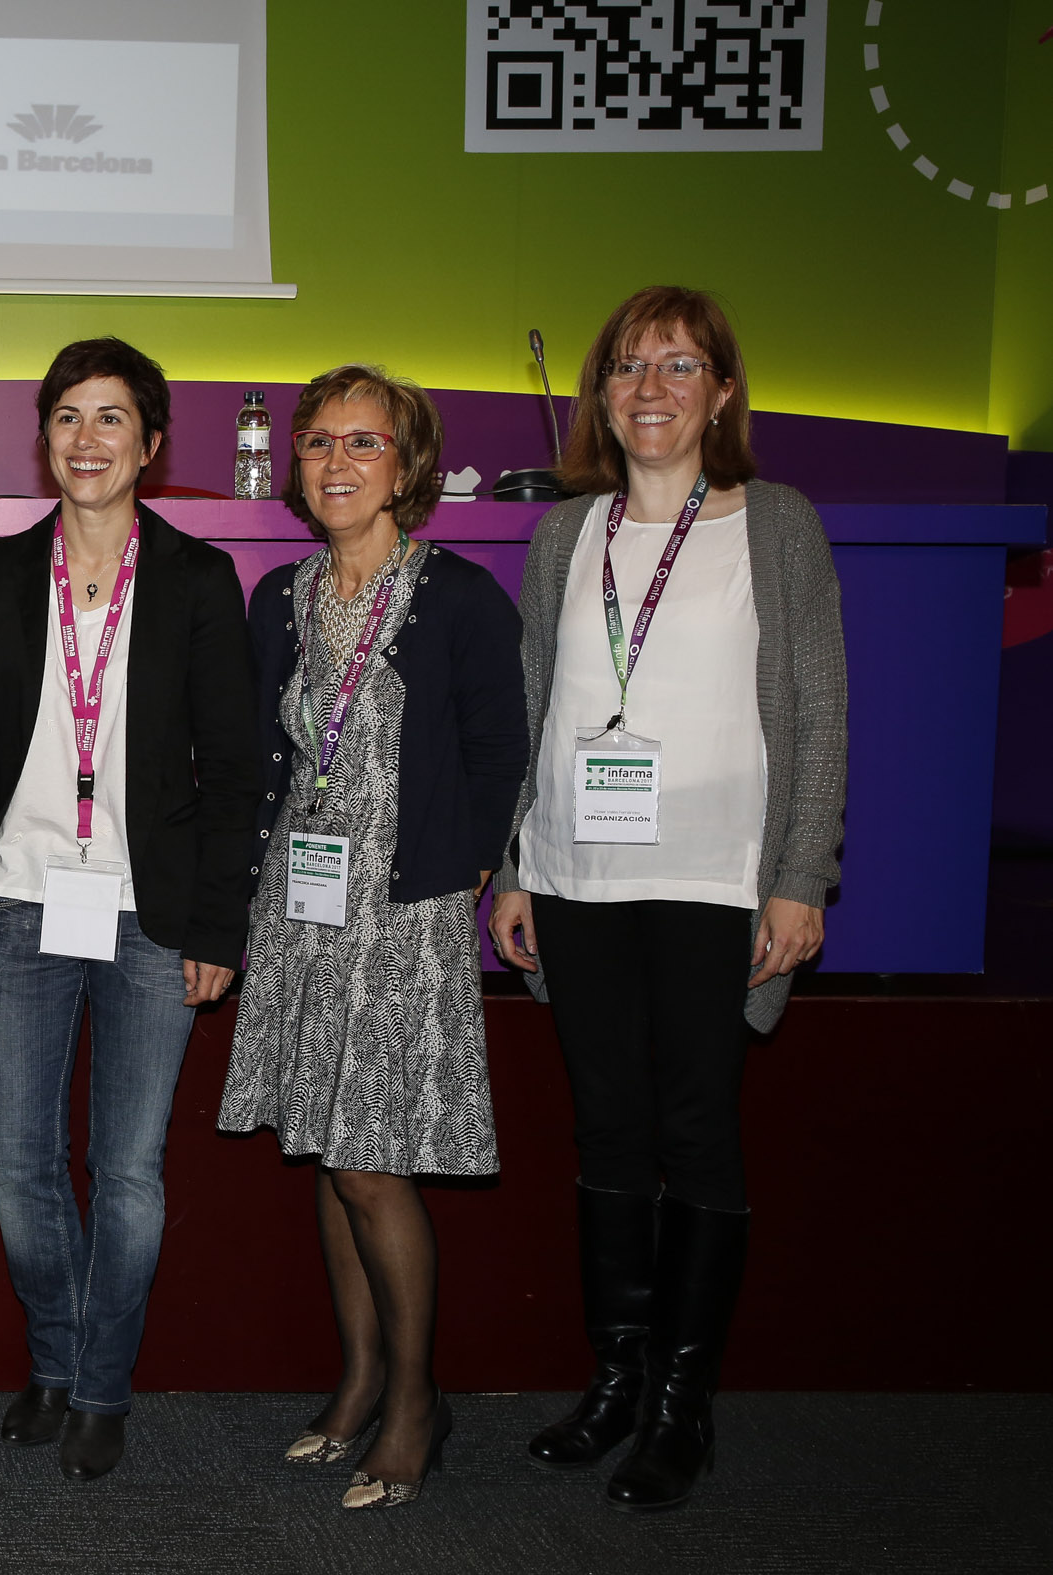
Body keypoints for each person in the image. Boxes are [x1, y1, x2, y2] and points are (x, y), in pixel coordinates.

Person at [489, 286, 845, 1513]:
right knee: (604, 1133)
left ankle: (682, 1406)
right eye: (629, 367)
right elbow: (534, 707)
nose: (650, 388)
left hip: (715, 878)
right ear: (600, 396)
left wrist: (799, 877)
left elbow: (819, 712)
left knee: (695, 1132)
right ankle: (616, 1382)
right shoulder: (564, 535)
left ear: (722, 393)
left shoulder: (776, 524)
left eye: (679, 365)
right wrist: (517, 865)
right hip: (578, 876)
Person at [0, 339, 260, 1481]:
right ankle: (56, 1363)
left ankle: (103, 1386)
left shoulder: (198, 580)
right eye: (67, 415)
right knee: (22, 1168)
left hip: (152, 915)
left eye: (112, 417)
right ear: (44, 438)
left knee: (128, 1171)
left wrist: (218, 928)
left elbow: (234, 770)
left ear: (149, 442)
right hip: (17, 903)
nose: (87, 438)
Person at [218, 365, 528, 1510]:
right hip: (300, 902)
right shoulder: (279, 597)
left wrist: (472, 873)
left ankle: (413, 1403)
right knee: (324, 1138)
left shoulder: (459, 597)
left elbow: (500, 750)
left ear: (408, 468)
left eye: (364, 443)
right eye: (318, 443)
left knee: (368, 1159)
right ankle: (355, 1384)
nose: (337, 463)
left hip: (404, 909)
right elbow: (264, 753)